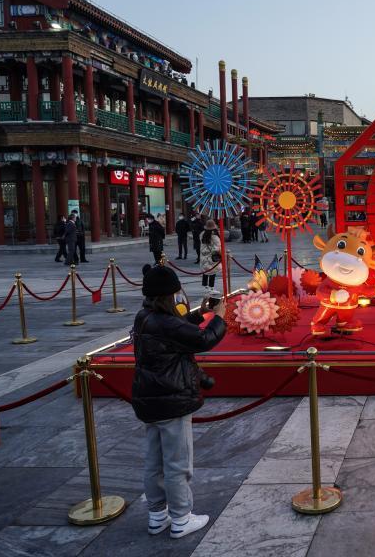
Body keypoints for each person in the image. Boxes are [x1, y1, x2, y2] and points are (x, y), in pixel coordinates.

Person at [132, 264, 226, 538]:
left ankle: (157, 515)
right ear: (168, 295)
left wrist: (201, 312)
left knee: (154, 461)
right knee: (177, 463)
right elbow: (203, 339)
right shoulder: (165, 323)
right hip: (172, 399)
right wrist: (219, 318)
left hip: (149, 400)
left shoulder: (145, 317)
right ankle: (182, 518)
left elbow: (178, 327)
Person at [199, 219, 221, 295]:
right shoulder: (214, 236)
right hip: (212, 257)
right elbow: (217, 247)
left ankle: (205, 285)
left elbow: (202, 246)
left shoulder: (202, 234)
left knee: (206, 270)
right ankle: (211, 287)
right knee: (212, 272)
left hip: (203, 256)